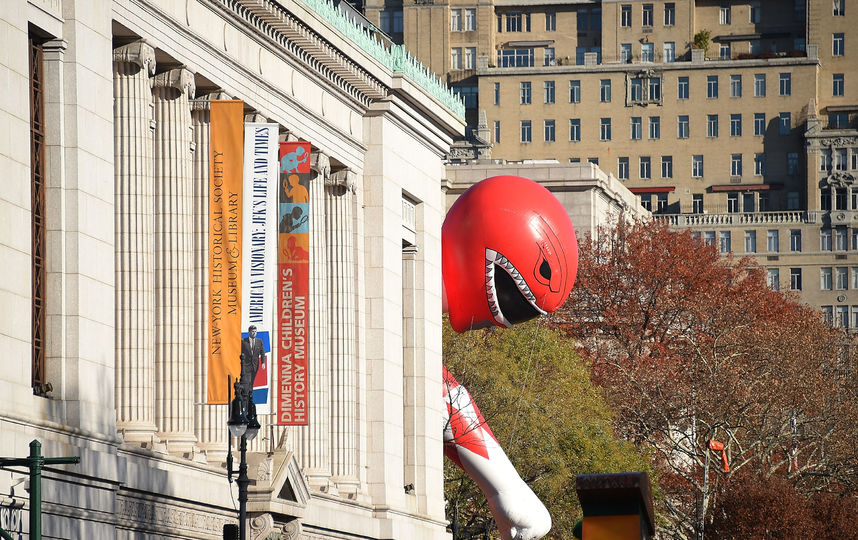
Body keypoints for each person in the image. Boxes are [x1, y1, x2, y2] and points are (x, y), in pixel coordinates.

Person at [239, 325, 265, 412]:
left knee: (252, 383)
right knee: (248, 382)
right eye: (252, 332)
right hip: (246, 366)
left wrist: (263, 363)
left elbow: (262, 352)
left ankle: (250, 395)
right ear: (249, 332)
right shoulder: (244, 341)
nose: (254, 333)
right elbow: (240, 352)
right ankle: (247, 398)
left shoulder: (259, 341)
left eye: (255, 332)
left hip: (255, 366)